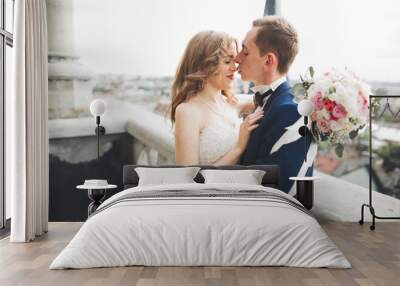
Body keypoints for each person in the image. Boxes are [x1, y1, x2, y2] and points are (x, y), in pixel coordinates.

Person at [235, 16, 314, 193]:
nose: (236, 58)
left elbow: (273, 187)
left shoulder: (292, 111)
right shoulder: (265, 100)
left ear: (268, 61)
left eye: (245, 52)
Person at [169, 31, 263, 165]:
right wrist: (238, 148)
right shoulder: (187, 112)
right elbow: (188, 179)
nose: (234, 68)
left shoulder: (235, 102)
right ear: (205, 65)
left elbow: (274, 95)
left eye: (234, 61)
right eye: (227, 61)